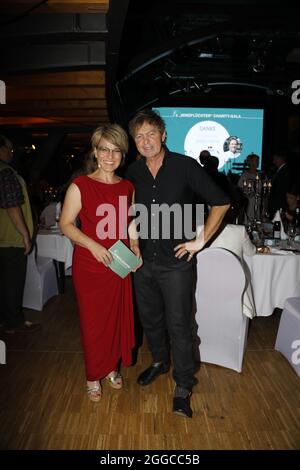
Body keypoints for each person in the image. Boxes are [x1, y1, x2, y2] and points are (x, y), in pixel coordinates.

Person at [125, 109, 230, 418]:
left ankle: (183, 383)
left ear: (163, 134)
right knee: (151, 320)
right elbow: (129, 212)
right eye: (139, 137)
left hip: (176, 265)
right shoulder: (133, 172)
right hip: (143, 262)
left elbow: (222, 202)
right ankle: (159, 361)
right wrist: (132, 242)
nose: (145, 141)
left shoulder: (185, 166)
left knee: (180, 324)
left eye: (151, 134)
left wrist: (200, 242)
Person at [59, 124, 141, 402]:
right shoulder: (80, 185)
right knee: (94, 323)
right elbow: (66, 225)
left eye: (116, 150)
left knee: (116, 320)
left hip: (118, 264)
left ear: (123, 155)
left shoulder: (128, 187)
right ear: (95, 152)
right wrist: (93, 244)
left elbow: (129, 224)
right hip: (90, 265)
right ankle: (93, 375)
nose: (109, 156)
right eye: (104, 149)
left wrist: (136, 248)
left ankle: (111, 368)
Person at [0, 135, 40, 333]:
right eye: (9, 149)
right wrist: (25, 235)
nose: (11, 152)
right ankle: (14, 322)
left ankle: (6, 319)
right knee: (12, 282)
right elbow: (12, 206)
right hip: (9, 239)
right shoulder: (6, 173)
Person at [238, 154, 263, 222]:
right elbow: (240, 190)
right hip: (249, 203)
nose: (258, 162)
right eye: (256, 160)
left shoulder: (261, 175)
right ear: (250, 162)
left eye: (258, 161)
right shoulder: (245, 176)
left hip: (260, 203)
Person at [269, 153, 292, 218]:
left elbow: (281, 190)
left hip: (279, 204)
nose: (273, 161)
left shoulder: (285, 171)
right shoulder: (281, 170)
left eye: (275, 159)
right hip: (277, 203)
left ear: (280, 159)